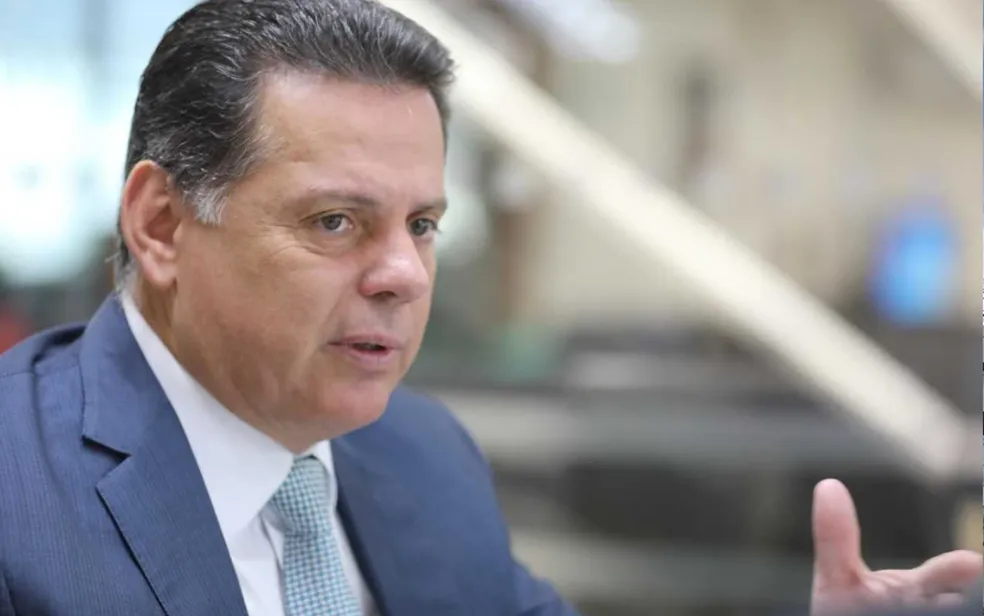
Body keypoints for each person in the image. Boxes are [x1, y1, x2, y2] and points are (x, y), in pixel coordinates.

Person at [0, 1, 979, 615]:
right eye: (336, 221)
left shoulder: (422, 458)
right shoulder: (18, 496)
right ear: (163, 224)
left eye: (423, 224)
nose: (405, 274)